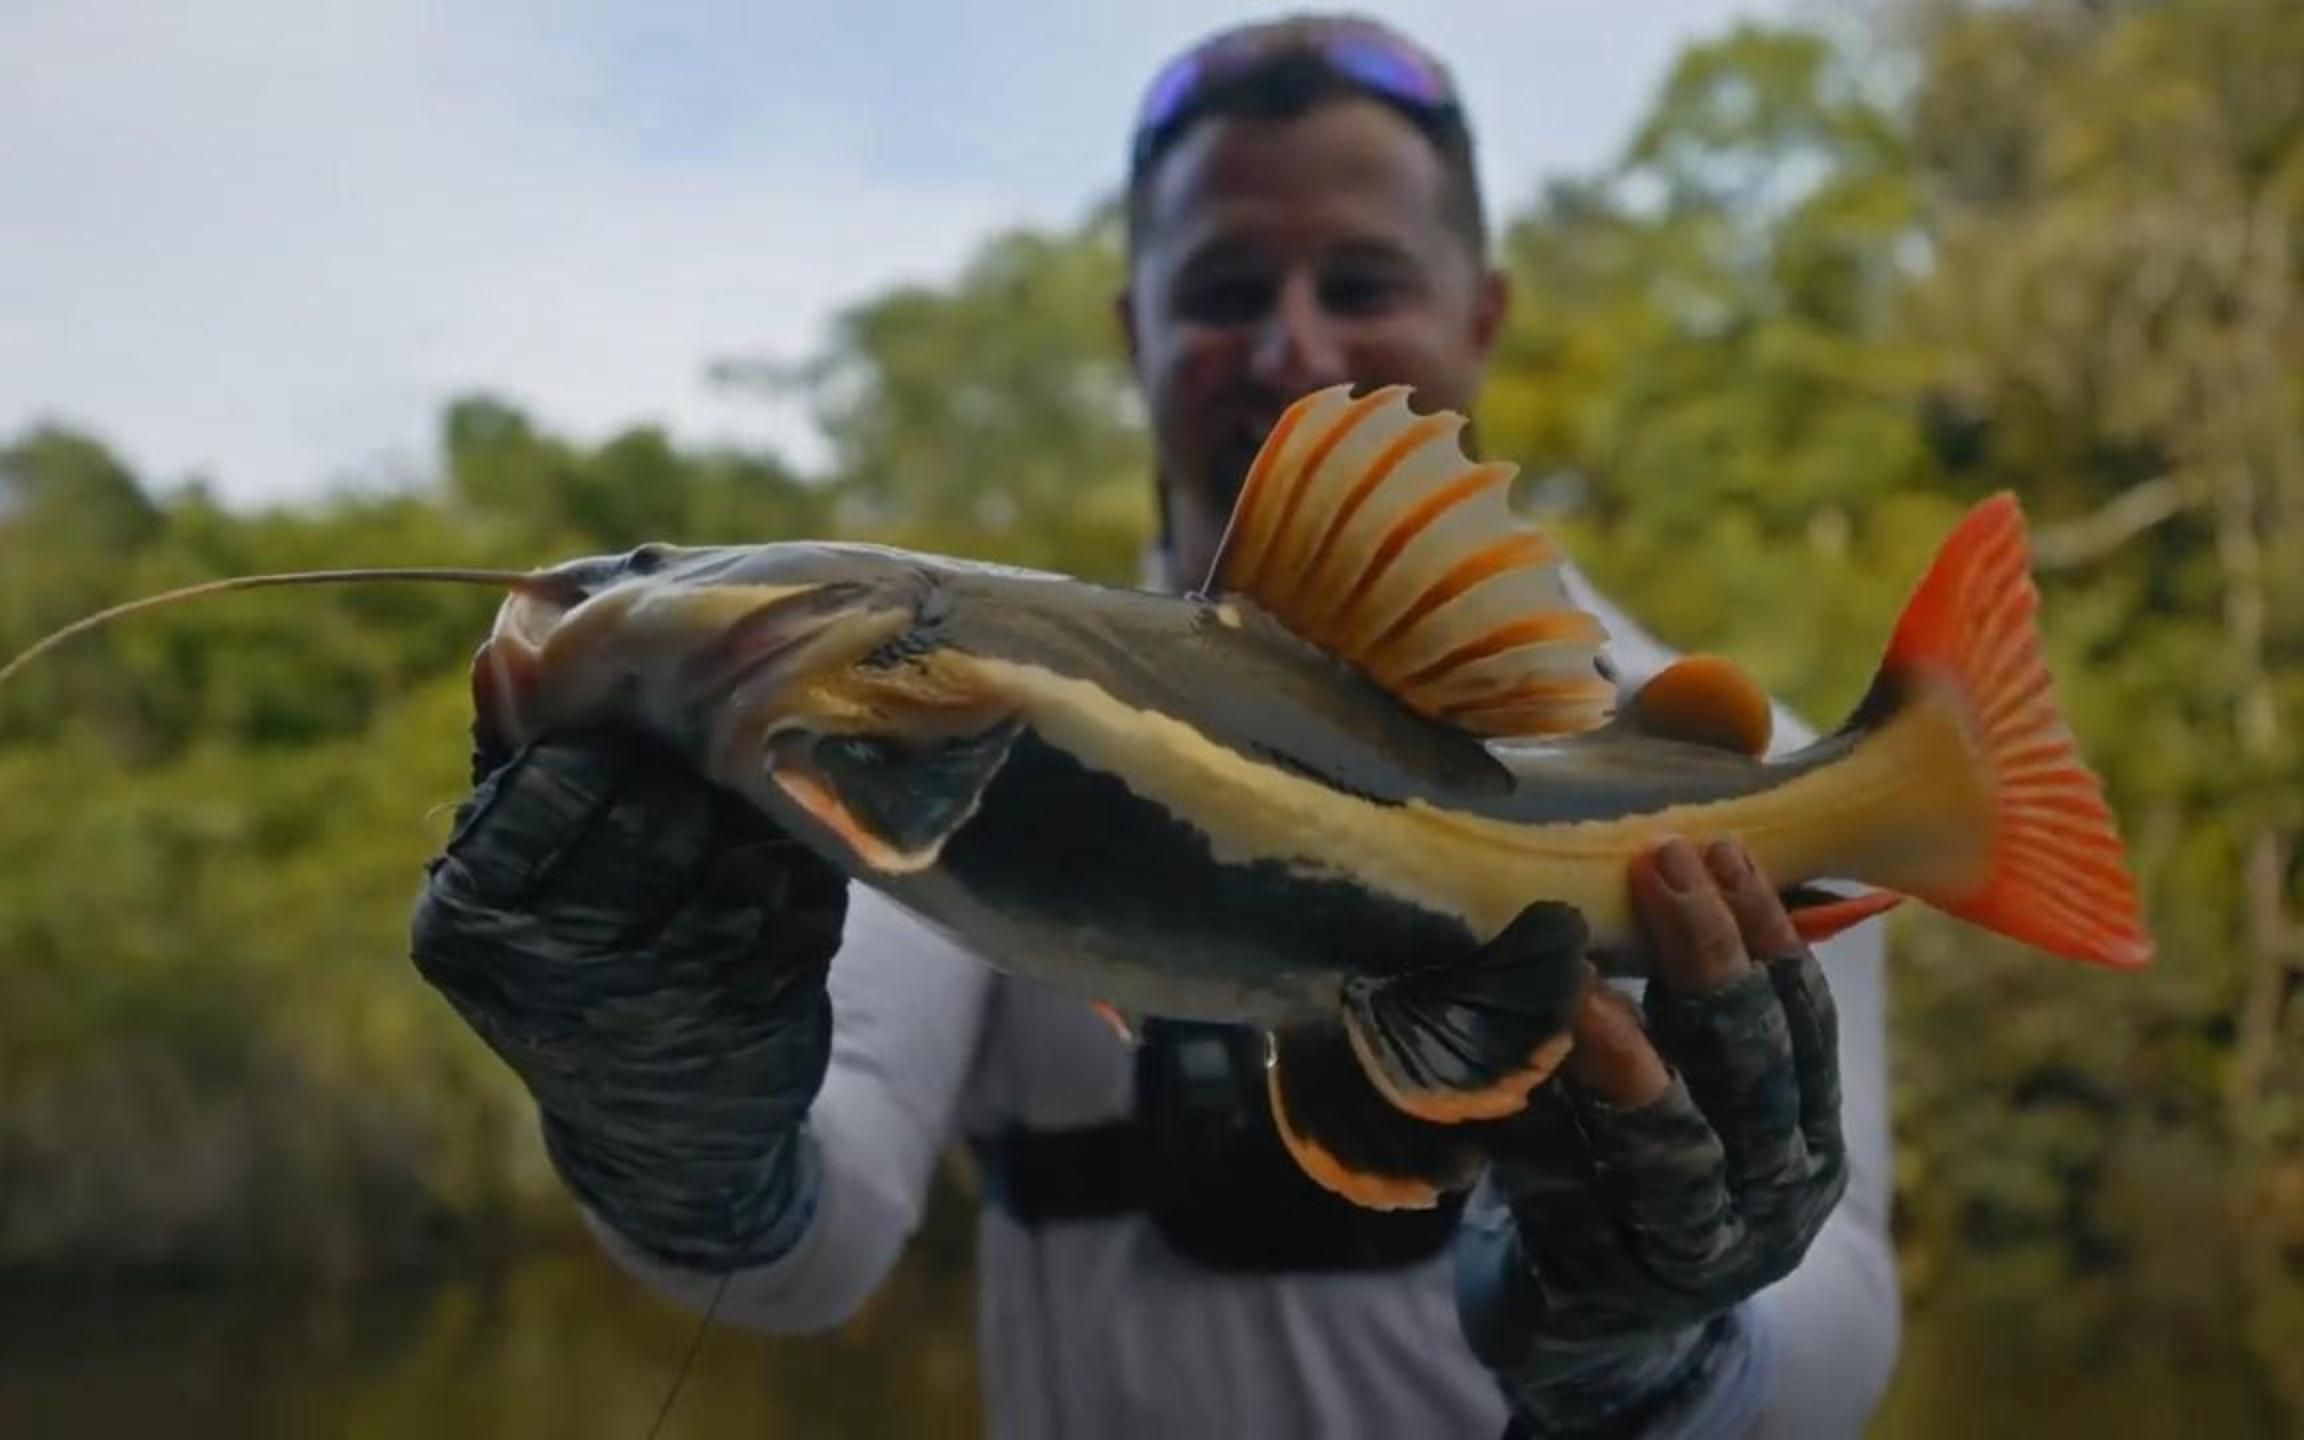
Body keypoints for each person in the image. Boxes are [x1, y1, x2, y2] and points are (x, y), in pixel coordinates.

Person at [410, 15, 1900, 1437]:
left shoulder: (1749, 777)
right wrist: (665, 1102)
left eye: (1363, 281)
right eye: (1226, 292)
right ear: (1136, 330)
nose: (1295, 350)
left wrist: (1647, 1343)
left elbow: (1840, 1331)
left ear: (1483, 312)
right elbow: (810, 1244)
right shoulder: (935, 733)